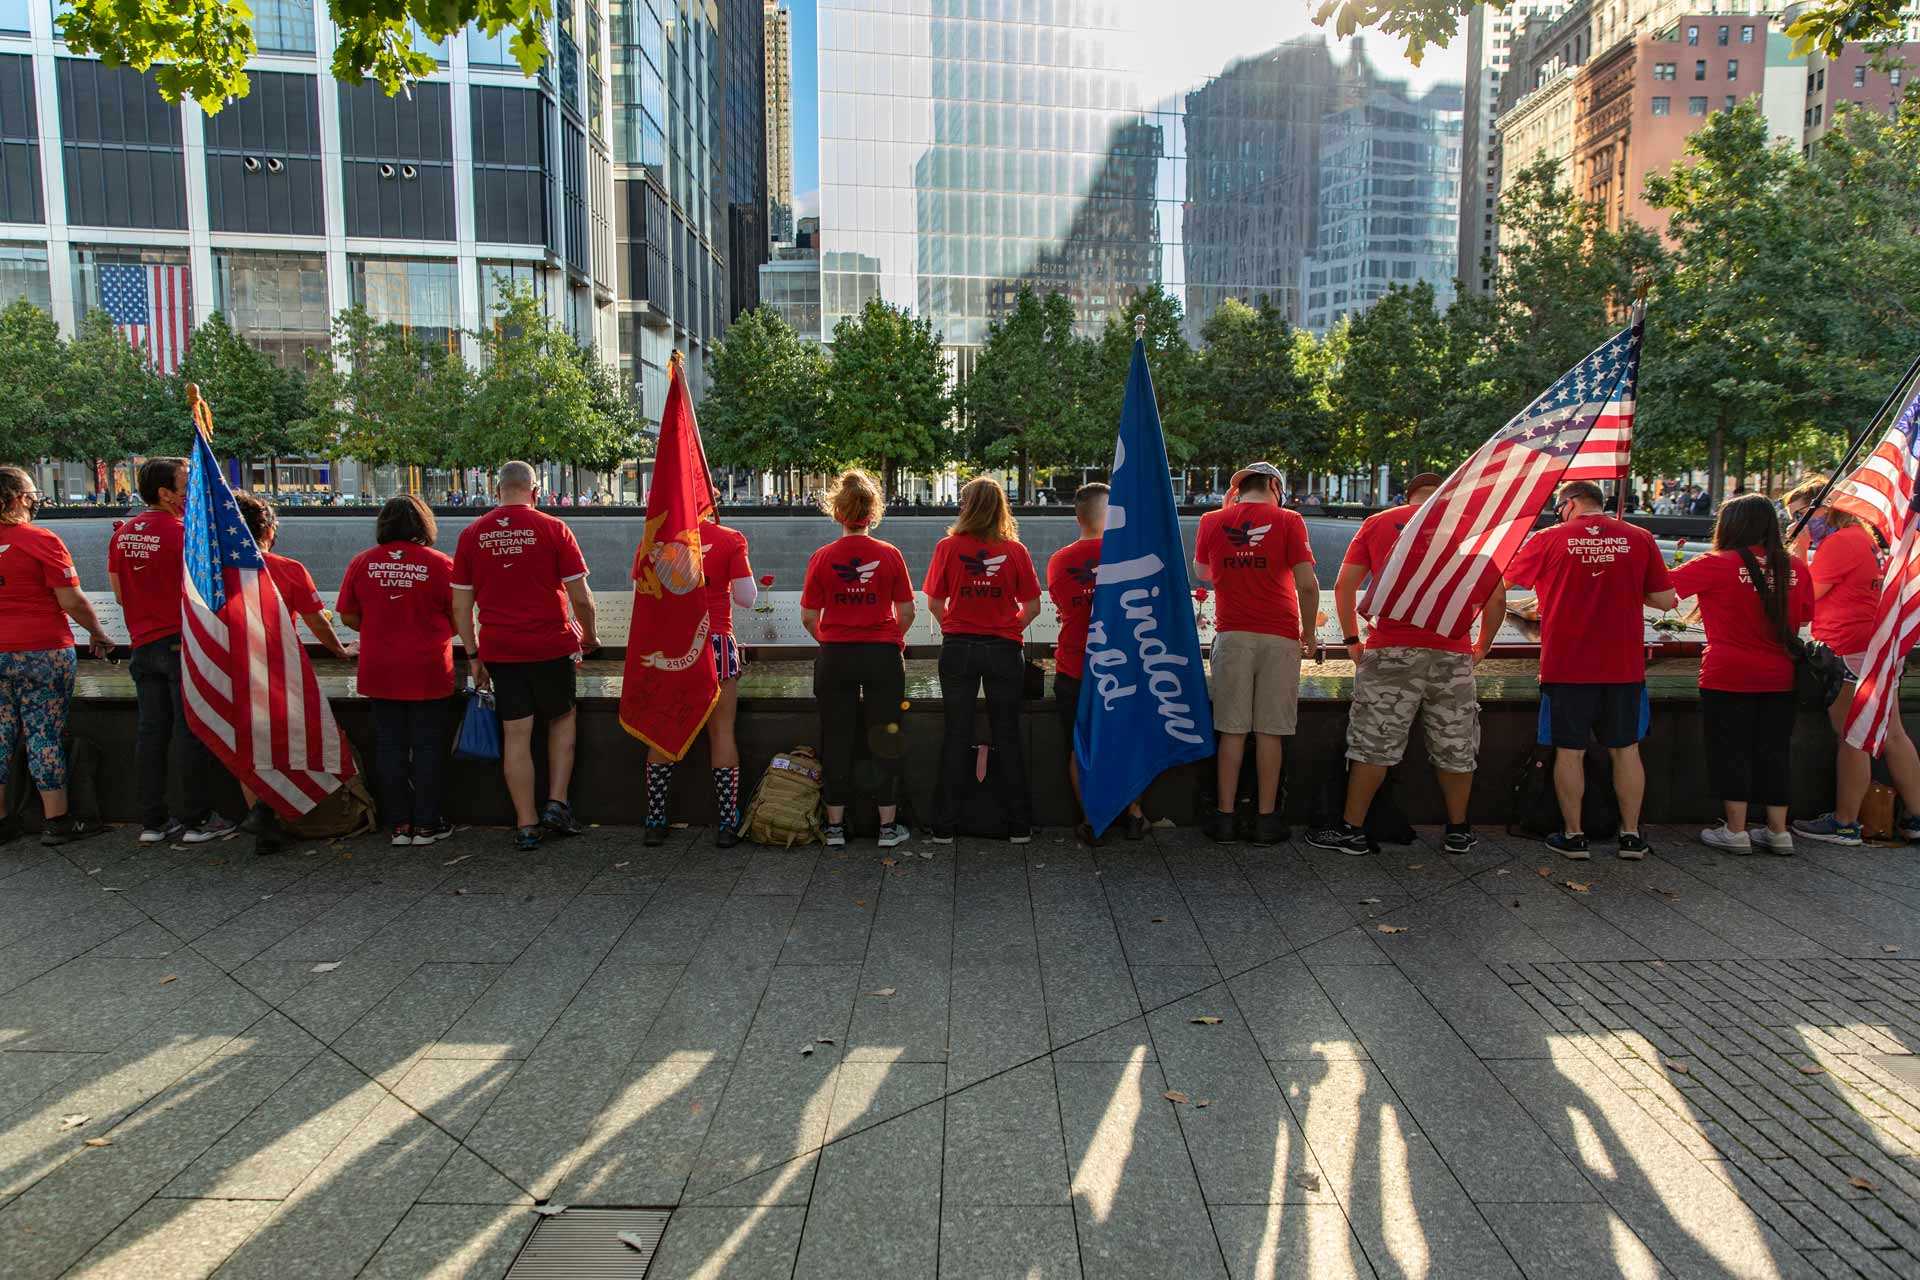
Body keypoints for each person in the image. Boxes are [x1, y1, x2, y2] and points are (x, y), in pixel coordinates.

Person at [1307, 472, 1503, 856]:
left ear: (1409, 496)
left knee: (1373, 743)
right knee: (1455, 744)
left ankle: (1352, 830)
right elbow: (1495, 599)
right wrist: (1482, 646)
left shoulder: (1379, 523)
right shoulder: (1471, 528)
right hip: (1452, 652)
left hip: (1391, 649)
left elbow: (1345, 586)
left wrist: (1351, 640)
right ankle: (1458, 830)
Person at [1504, 479, 1677, 860]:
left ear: (1570, 503)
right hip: (1624, 666)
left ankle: (1574, 836)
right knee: (1626, 750)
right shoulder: (1640, 537)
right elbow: (1667, 600)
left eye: (1558, 508)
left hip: (1566, 665)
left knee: (1570, 751)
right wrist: (1626, 585)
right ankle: (1631, 836)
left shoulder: (1548, 538)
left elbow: (1502, 583)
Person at [452, 460, 599, 850]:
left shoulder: (472, 534)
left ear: (497, 491)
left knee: (516, 734)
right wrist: (589, 636)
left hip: (501, 649)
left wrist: (474, 655)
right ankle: (557, 803)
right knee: (562, 719)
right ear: (535, 492)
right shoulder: (554, 529)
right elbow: (582, 599)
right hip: (552, 645)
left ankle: (526, 824)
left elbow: (460, 607)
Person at [1669, 494, 1812, 853]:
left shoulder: (1717, 563)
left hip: (1728, 674)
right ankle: (1778, 831)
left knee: (1730, 750)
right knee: (1775, 751)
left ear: (1729, 526)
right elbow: (1806, 615)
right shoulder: (1795, 566)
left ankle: (1735, 831)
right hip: (1782, 675)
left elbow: (1661, 593)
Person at [1192, 461, 1317, 844]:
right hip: (1279, 636)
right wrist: (1309, 634)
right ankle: (1266, 820)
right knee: (1269, 732)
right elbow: (1307, 585)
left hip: (1232, 636)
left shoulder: (1212, 520)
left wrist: (1226, 517)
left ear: (1238, 489)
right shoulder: (1290, 520)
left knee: (1231, 730)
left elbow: (1203, 573)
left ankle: (1225, 818)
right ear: (1275, 487)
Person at [228, 494, 359, 851]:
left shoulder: (213, 571)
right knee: (284, 744)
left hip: (232, 667)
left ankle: (260, 816)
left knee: (248, 747)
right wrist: (340, 650)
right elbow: (317, 621)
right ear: (268, 530)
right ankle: (281, 813)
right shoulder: (288, 568)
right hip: (277, 668)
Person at [109, 457, 230, 844]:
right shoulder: (184, 534)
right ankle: (196, 820)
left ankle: (153, 822)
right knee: (189, 730)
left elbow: (119, 594)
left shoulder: (122, 535)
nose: (193, 490)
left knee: (151, 732)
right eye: (187, 483)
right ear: (165, 493)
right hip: (180, 643)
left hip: (142, 644)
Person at [923, 476, 1041, 843]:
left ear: (968, 507)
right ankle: (1019, 825)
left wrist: (954, 627)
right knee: (1008, 733)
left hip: (958, 648)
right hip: (1004, 650)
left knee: (956, 733)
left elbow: (934, 602)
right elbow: (1033, 607)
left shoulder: (947, 547)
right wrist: (1006, 628)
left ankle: (944, 826)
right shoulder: (1016, 551)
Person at [801, 470, 915, 848]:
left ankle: (835, 827)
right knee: (885, 738)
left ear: (838, 512)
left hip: (836, 656)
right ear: (873, 512)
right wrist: (892, 640)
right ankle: (887, 828)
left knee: (836, 737)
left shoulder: (822, 557)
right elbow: (907, 612)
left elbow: (809, 617)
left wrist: (831, 641)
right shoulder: (890, 554)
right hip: (882, 655)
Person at [336, 495, 458, 848]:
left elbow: (347, 615)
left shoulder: (362, 562)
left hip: (381, 668)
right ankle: (428, 823)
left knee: (389, 747)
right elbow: (458, 616)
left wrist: (380, 629)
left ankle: (400, 825)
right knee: (428, 747)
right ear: (425, 525)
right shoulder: (441, 564)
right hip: (428, 668)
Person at [1795, 507, 1920, 845]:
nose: (1800, 523)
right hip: (1877, 644)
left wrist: (1799, 549)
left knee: (1852, 735)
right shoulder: (1864, 539)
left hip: (1849, 647)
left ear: (1827, 511)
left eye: (1803, 514)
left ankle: (1845, 822)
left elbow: (1805, 599)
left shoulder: (1838, 543)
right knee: (1893, 733)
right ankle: (1916, 816)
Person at [0, 468, 112, 845]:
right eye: (33, 494)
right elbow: (71, 600)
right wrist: (98, 633)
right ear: (19, 498)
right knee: (43, 732)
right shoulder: (41, 540)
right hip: (42, 650)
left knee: (0, 733)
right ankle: (57, 820)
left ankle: (2, 821)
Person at [641, 511, 757, 847]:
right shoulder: (730, 539)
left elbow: (642, 593)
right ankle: (726, 823)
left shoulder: (653, 541)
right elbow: (747, 598)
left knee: (663, 732)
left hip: (671, 647)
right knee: (722, 733)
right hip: (715, 643)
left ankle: (655, 820)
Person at [1047, 482, 1147, 845]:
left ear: (1078, 517)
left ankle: (1092, 820)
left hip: (1074, 667)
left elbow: (1063, 606)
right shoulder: (1128, 556)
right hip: (1123, 668)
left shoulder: (1059, 561)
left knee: (1080, 746)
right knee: (1127, 741)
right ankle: (1134, 813)